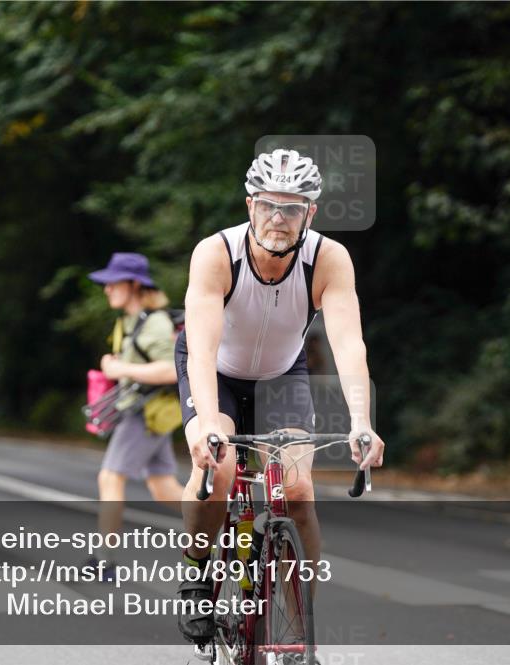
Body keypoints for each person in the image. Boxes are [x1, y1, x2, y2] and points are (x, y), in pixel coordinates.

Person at [174, 148, 385, 642]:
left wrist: (361, 420)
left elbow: (348, 342)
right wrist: (207, 423)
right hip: (217, 371)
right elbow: (201, 352)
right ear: (250, 205)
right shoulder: (215, 253)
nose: (278, 218)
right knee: (218, 467)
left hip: (281, 375)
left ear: (309, 213)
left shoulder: (329, 259)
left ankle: (298, 614)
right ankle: (198, 576)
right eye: (269, 205)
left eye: (292, 208)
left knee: (297, 492)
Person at [86, 252, 184, 573]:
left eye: (113, 283)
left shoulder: (154, 323)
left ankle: (104, 560)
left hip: (146, 414)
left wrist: (120, 368)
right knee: (164, 488)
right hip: (149, 413)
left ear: (134, 285)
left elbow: (172, 371)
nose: (107, 289)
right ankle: (227, 521)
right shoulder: (130, 321)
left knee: (110, 476)